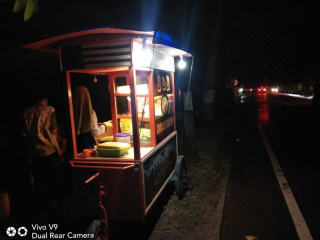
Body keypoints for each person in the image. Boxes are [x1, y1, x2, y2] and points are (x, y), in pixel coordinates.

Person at [21, 94, 64, 210]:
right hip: (49, 149)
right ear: (44, 100)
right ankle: (57, 204)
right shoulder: (50, 109)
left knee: (40, 180)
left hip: (34, 152)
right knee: (55, 178)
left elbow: (24, 134)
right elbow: (54, 130)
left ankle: (43, 206)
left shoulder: (25, 113)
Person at [73, 85, 106, 152]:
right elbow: (95, 132)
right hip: (87, 149)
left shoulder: (69, 112)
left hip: (73, 148)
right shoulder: (90, 112)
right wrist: (104, 126)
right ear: (87, 97)